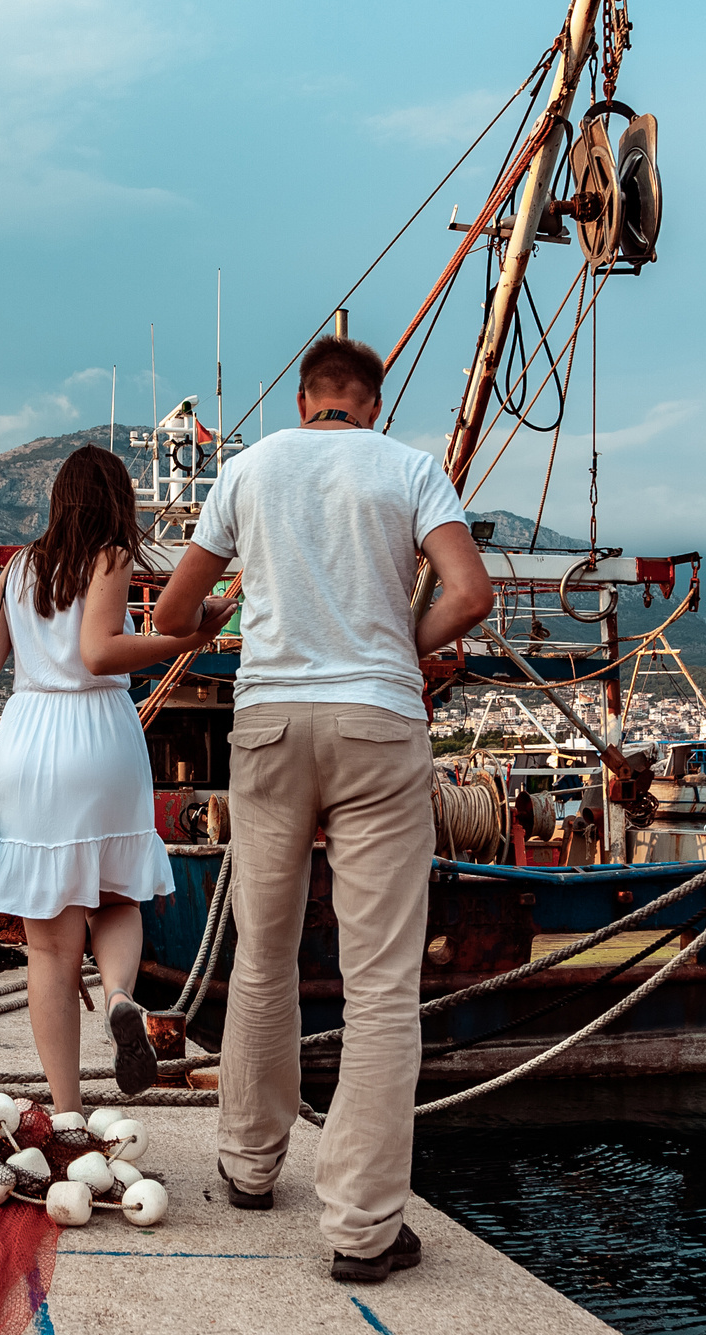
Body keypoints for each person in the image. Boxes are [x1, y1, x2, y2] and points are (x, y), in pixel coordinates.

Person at [153, 334, 494, 1284]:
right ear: (369, 404)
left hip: (266, 721)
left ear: (307, 401)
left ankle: (249, 1166)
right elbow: (470, 593)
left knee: (261, 950)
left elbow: (175, 617)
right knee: (381, 979)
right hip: (380, 719)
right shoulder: (409, 468)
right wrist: (404, 647)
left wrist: (239, 618)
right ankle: (361, 1227)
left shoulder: (250, 468)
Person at [0, 445, 232, 1113]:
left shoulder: (17, 570)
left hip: (29, 741)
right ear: (116, 501)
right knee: (116, 895)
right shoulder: (110, 555)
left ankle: (68, 1111)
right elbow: (100, 651)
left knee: (49, 949)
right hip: (98, 737)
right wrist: (187, 640)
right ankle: (118, 997)